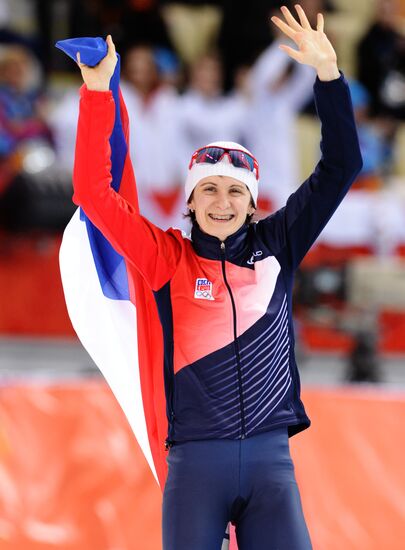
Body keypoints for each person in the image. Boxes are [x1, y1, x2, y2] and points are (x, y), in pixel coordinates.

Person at [72, 4, 362, 549]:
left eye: (235, 191)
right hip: (195, 467)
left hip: (271, 466)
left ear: (253, 203)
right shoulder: (166, 258)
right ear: (190, 200)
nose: (222, 201)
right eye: (209, 188)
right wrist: (96, 94)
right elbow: (94, 194)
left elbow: (341, 167)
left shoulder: (280, 243)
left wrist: (329, 76)